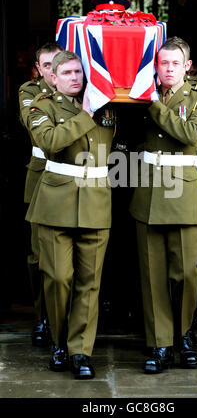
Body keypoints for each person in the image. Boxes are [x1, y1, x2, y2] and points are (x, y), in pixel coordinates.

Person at [129, 37, 197, 372]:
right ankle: (160, 344)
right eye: (162, 63)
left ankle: (184, 332)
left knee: (187, 271)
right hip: (149, 191)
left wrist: (152, 104)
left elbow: (191, 134)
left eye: (174, 63)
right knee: (152, 276)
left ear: (187, 66)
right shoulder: (141, 90)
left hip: (183, 192)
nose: (167, 69)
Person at [26, 50, 113, 379]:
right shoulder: (43, 106)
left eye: (79, 72)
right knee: (59, 277)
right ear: (54, 77)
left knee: (89, 284)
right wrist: (85, 115)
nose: (75, 78)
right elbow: (49, 142)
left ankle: (80, 351)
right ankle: (59, 341)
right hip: (55, 204)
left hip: (95, 204)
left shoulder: (104, 102)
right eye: (67, 73)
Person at [19, 42, 64, 346]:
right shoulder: (30, 92)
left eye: (55, 64)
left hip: (70, 178)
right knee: (39, 255)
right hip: (41, 175)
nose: (50, 71)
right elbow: (33, 126)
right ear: (38, 69)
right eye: (45, 66)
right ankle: (43, 317)